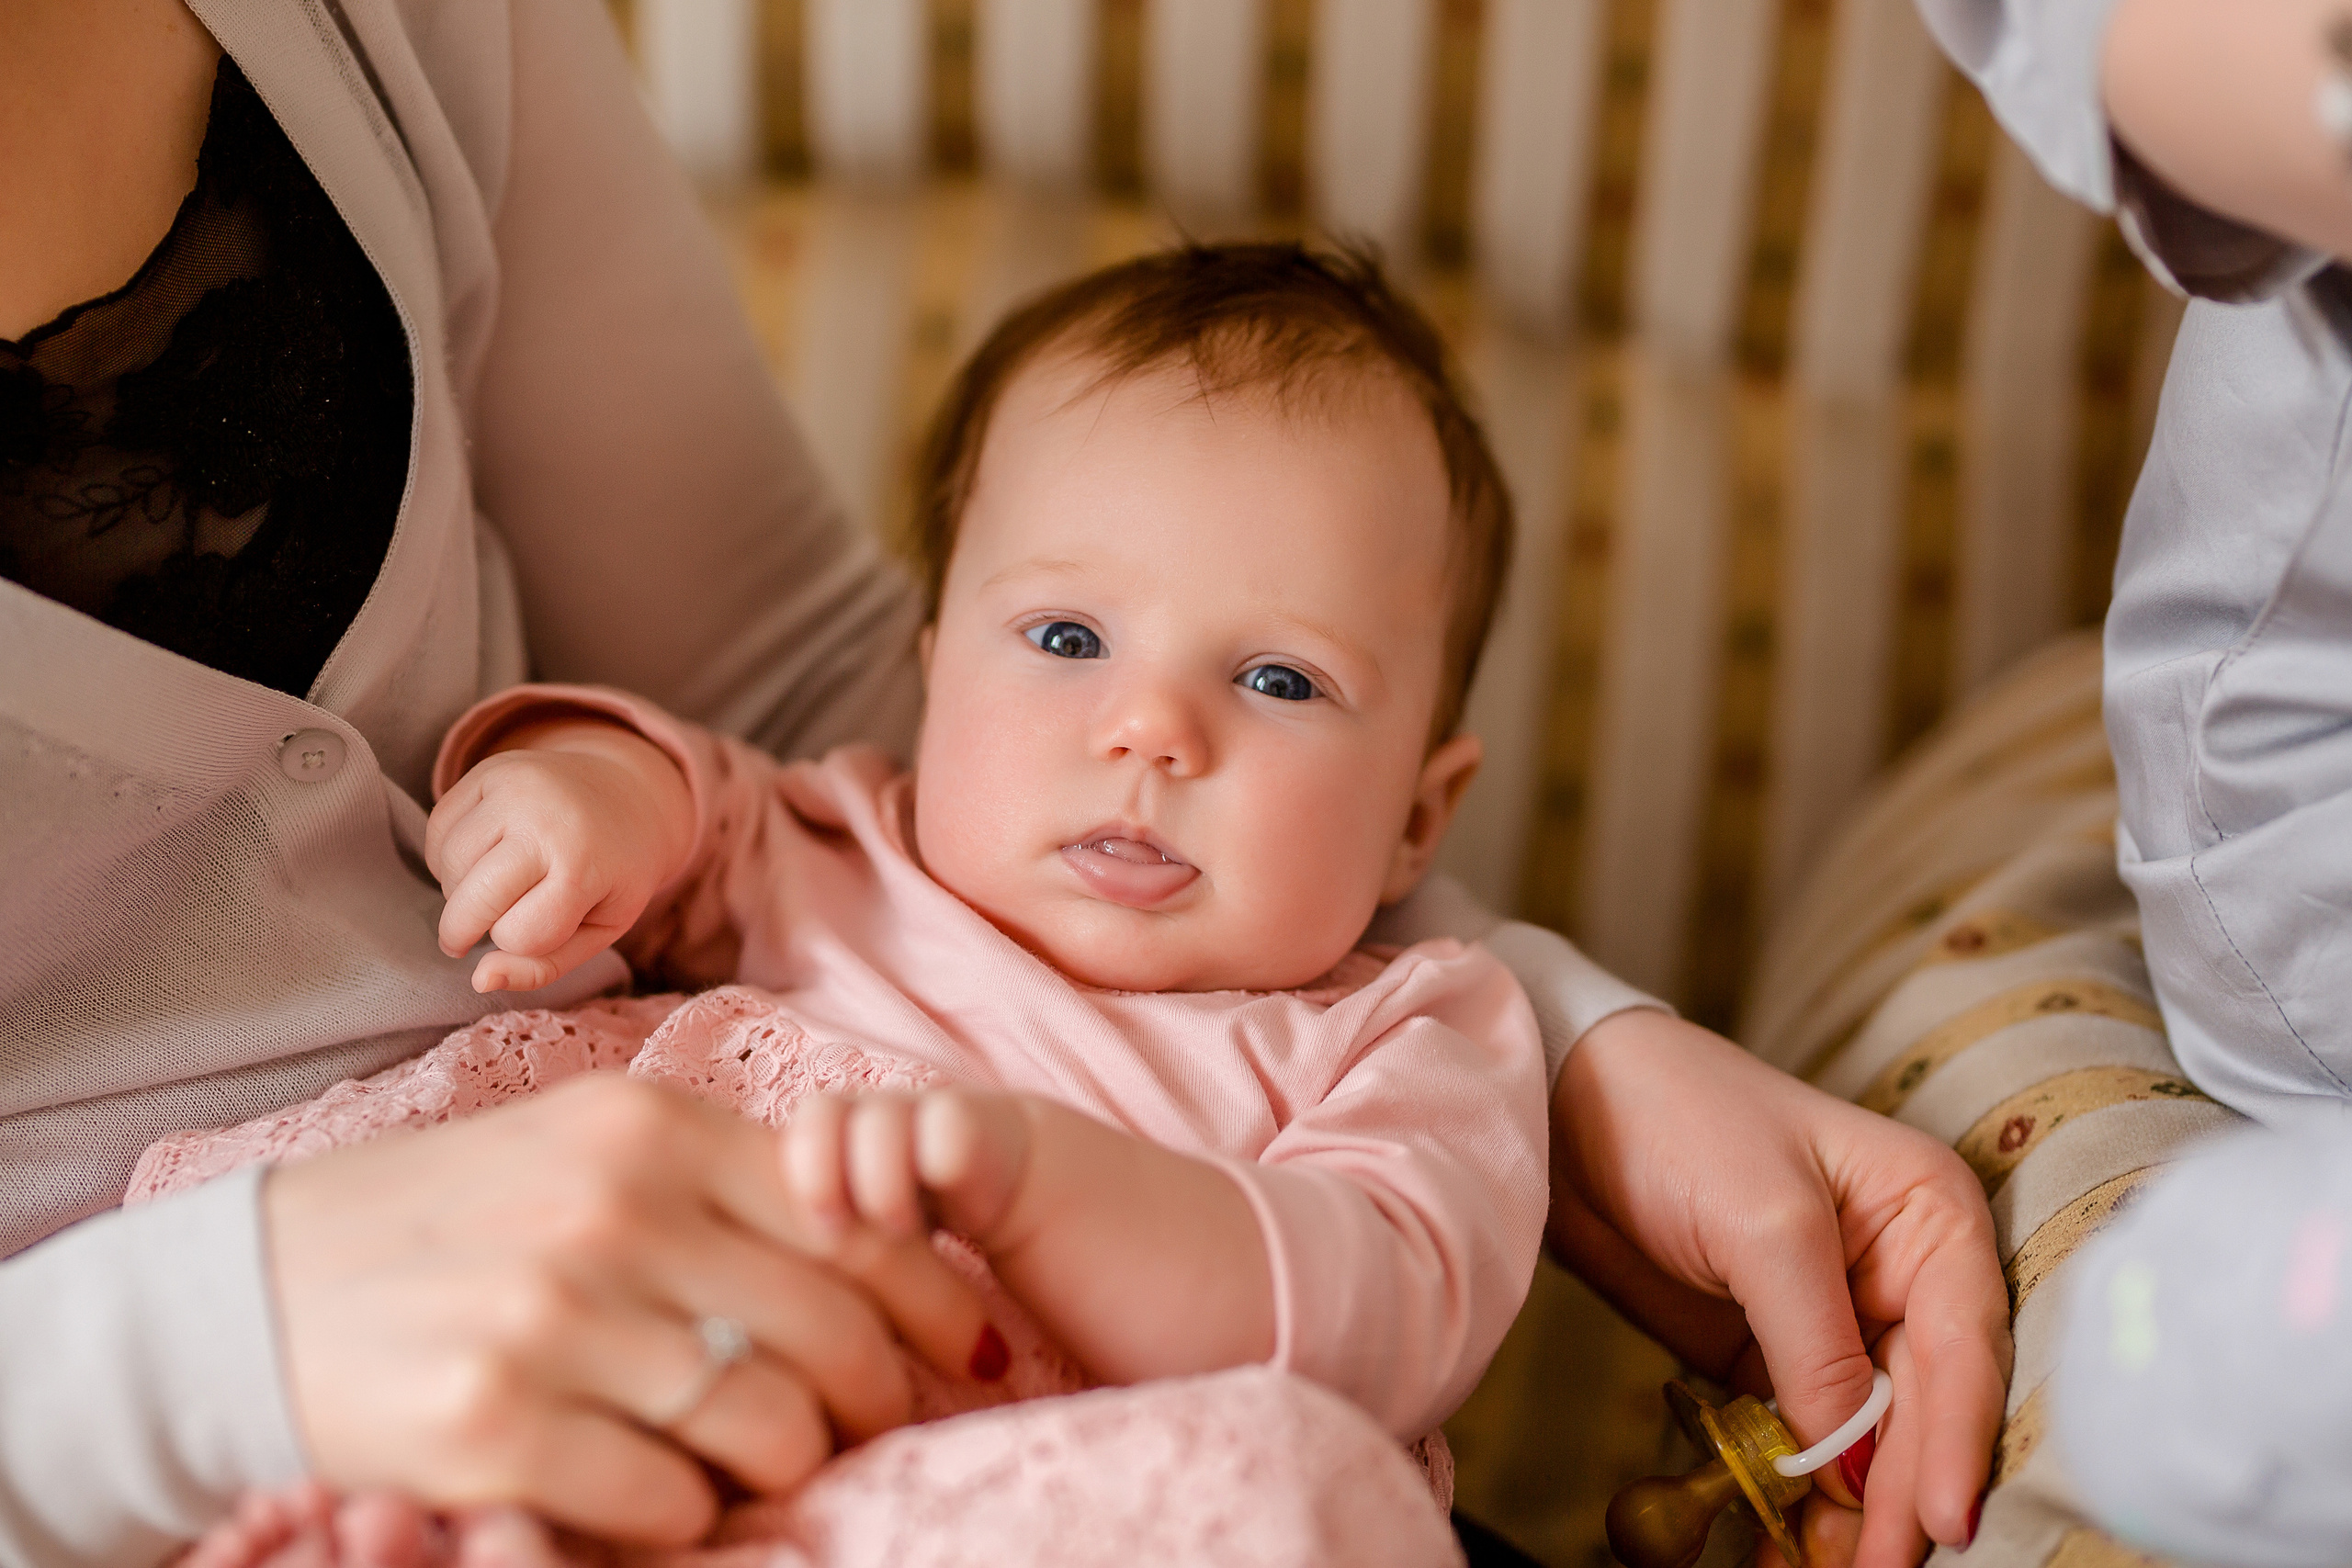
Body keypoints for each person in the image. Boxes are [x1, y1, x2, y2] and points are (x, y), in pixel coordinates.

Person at [1, 6, 2007, 1567]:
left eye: (1281, 678)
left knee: (1285, 1491)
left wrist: (1593, 1048)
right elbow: (697, 789)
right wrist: (577, 795)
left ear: (1422, 811)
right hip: (358, 1387)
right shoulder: (847, 846)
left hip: (986, 1482)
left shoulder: (1420, 1028)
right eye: (1064, 644)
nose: (1146, 732)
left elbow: (1356, 1307)